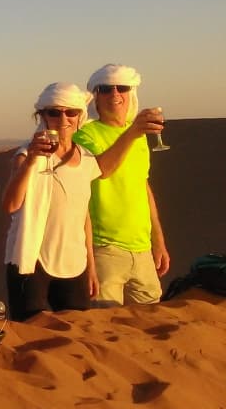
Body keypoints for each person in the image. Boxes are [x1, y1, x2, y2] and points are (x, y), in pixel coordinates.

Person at [3, 83, 102, 321]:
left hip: (74, 262)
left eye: (71, 112)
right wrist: (30, 163)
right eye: (54, 112)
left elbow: (83, 215)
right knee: (30, 331)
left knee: (77, 331)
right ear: (43, 116)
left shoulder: (87, 159)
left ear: (80, 116)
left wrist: (91, 265)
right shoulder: (27, 155)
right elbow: (11, 205)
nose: (63, 118)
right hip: (31, 259)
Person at [71, 63, 168, 307]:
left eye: (121, 88)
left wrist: (158, 241)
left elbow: (143, 188)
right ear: (96, 96)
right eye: (105, 89)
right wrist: (131, 134)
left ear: (130, 93)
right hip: (105, 249)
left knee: (152, 324)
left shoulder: (138, 137)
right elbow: (102, 171)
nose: (115, 94)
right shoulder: (85, 134)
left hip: (142, 249)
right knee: (104, 326)